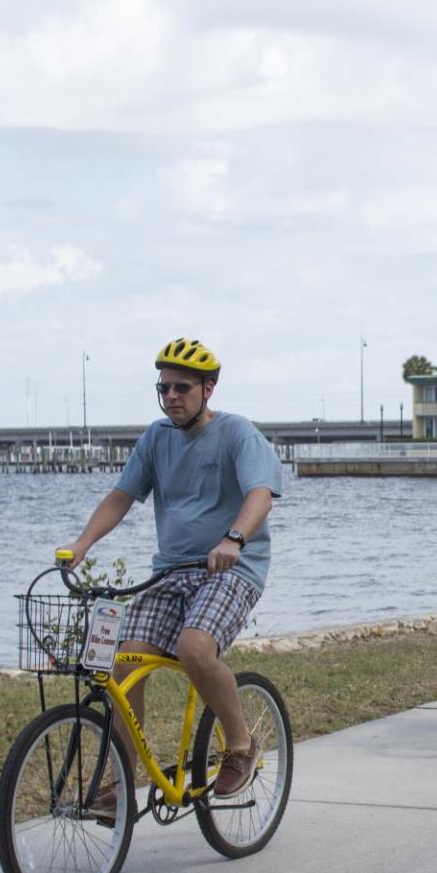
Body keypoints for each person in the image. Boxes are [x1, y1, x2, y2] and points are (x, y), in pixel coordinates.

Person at [60, 337, 284, 800]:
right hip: (172, 572)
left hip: (230, 570)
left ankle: (241, 745)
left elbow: (259, 495)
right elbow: (122, 496)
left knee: (195, 649)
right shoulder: (156, 438)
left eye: (183, 388)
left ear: (208, 390)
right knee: (121, 661)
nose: (172, 397)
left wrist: (234, 539)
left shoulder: (238, 434)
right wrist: (82, 543)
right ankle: (120, 778)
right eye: (164, 389)